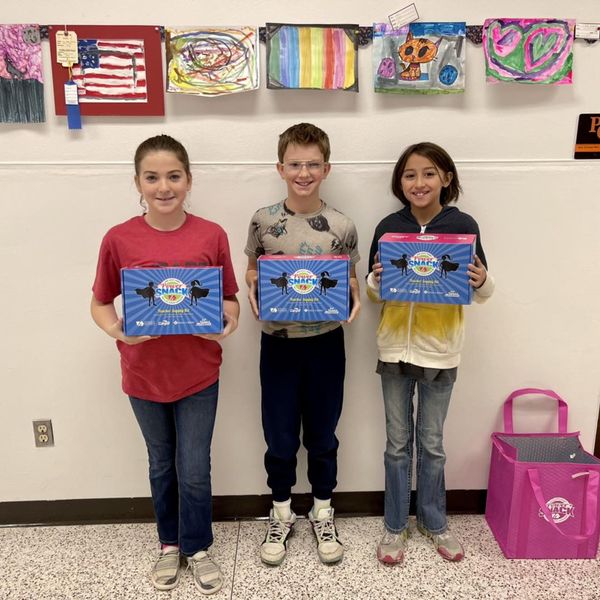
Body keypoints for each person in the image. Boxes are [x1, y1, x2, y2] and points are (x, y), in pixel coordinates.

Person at [90, 134, 239, 594]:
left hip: (198, 373)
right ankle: (169, 545)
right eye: (152, 177)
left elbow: (230, 302)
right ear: (137, 182)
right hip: (143, 375)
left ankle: (197, 547)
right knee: (161, 464)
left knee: (194, 467)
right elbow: (99, 303)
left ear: (189, 180)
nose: (164, 186)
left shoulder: (211, 234)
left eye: (174, 176)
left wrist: (224, 326)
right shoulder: (118, 238)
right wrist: (118, 331)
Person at [366, 142, 494, 565]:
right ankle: (395, 526)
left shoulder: (463, 225)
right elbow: (372, 289)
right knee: (397, 444)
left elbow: (482, 291)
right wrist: (375, 280)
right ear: (399, 182)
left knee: (433, 444)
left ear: (446, 179)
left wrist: (480, 282)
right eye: (409, 174)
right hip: (394, 350)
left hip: (440, 352)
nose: (418, 182)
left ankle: (435, 522)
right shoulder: (388, 227)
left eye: (428, 173)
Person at [245, 123, 360, 566]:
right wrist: (255, 286)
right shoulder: (262, 220)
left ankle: (322, 509)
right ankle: (280, 511)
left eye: (313, 164)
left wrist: (353, 303)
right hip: (277, 345)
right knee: (278, 436)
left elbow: (349, 283)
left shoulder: (342, 226)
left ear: (326, 168)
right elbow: (251, 275)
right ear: (280, 167)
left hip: (327, 344)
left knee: (323, 434)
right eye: (295, 164)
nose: (304, 172)